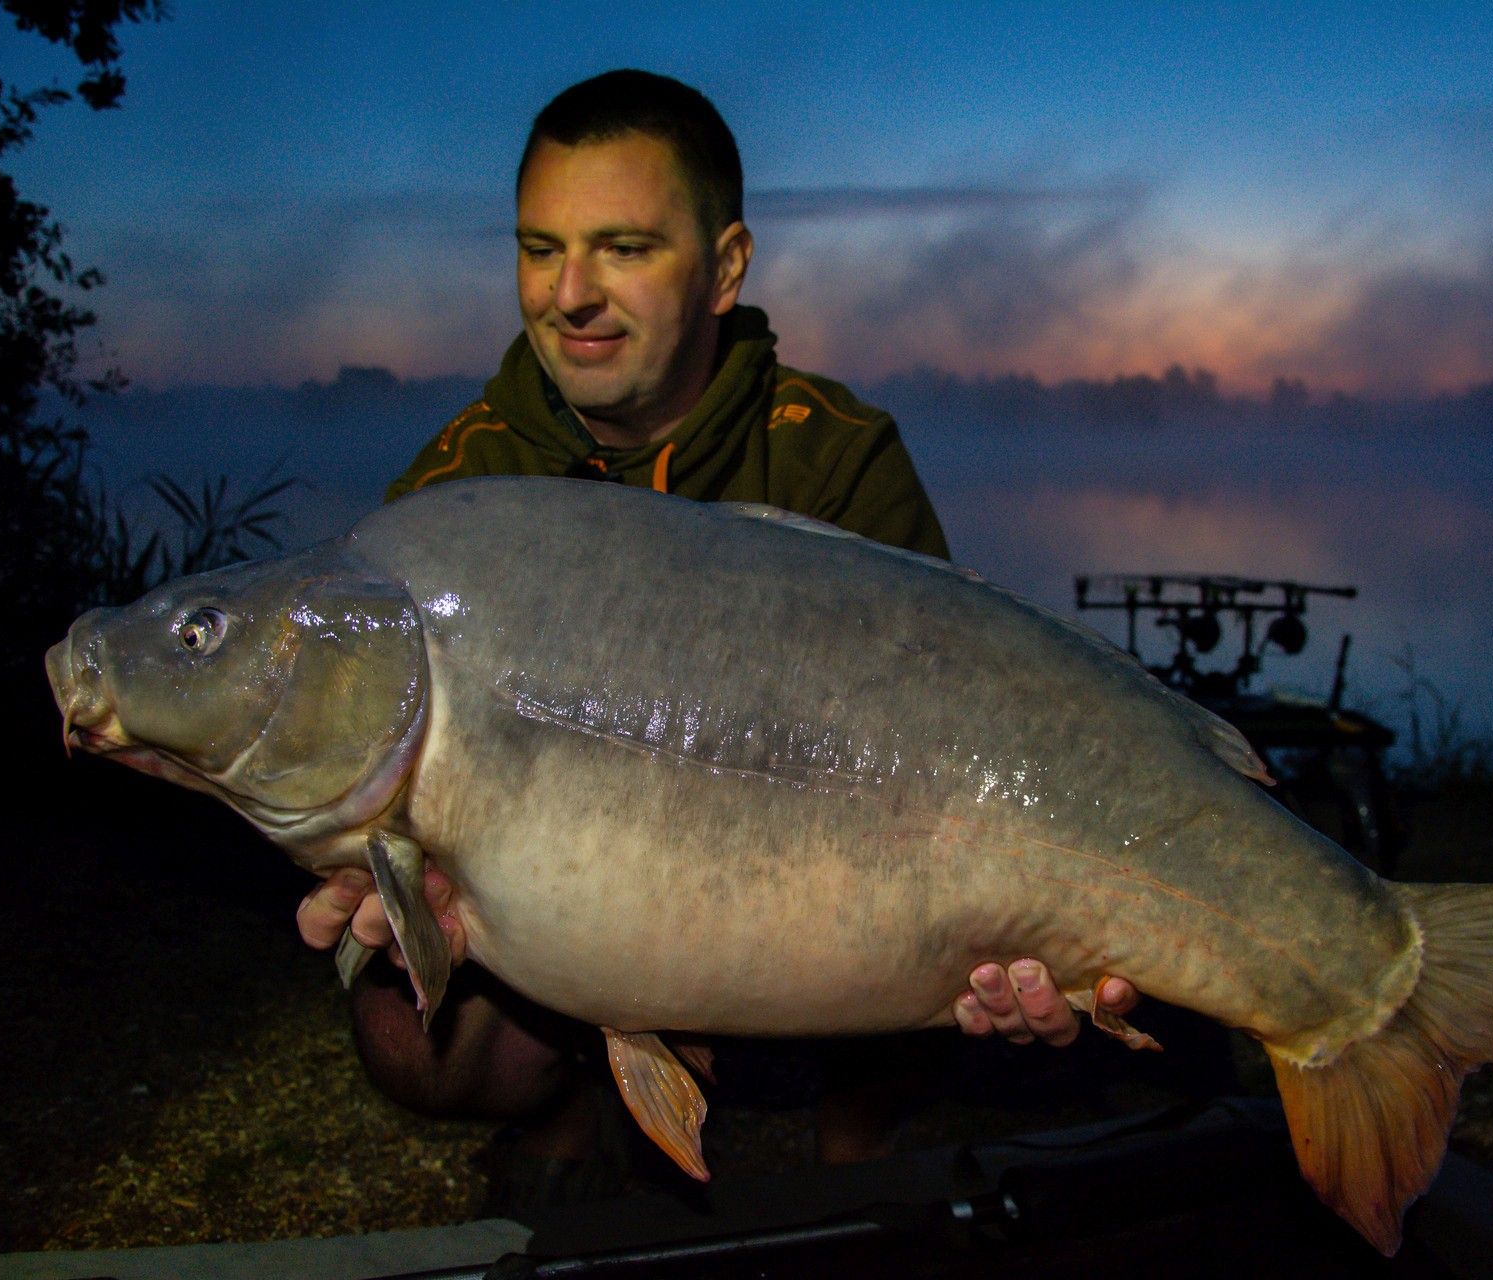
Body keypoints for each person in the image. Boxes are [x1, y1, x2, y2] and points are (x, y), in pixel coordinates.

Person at [295, 68, 1141, 1192]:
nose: (570, 292)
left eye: (624, 248)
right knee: (414, 1030)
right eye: (540, 248)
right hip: (578, 902)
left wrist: (1041, 927)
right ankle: (564, 1124)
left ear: (725, 268)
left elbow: (960, 729)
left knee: (954, 911)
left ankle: (860, 1150)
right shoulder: (459, 495)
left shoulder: (831, 450)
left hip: (827, 882)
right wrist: (381, 870)